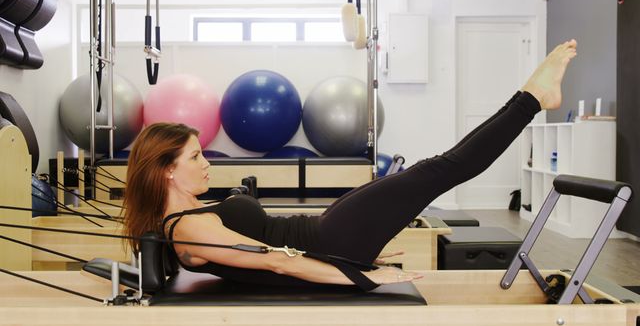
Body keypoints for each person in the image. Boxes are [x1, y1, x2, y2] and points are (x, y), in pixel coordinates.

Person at [123, 40, 578, 289]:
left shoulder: (185, 219)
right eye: (196, 157)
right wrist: (357, 273)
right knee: (443, 169)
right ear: (165, 169)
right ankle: (533, 97)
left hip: (331, 232)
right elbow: (279, 264)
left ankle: (533, 96)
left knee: (438, 168)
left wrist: (355, 253)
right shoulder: (186, 227)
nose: (207, 164)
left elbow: (274, 253)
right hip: (331, 239)